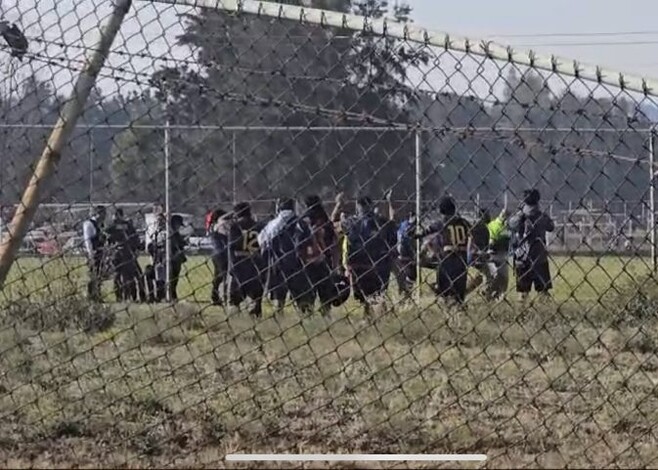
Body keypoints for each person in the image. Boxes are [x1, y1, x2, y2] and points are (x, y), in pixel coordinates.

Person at [259, 197, 315, 314]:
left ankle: (279, 316)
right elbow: (309, 241)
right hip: (297, 263)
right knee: (302, 294)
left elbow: (262, 241)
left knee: (279, 296)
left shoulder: (273, 224)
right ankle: (305, 314)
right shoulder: (300, 222)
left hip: (278, 262)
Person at [344, 195, 397, 317]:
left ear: (358, 206)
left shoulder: (351, 222)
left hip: (358, 264)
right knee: (378, 292)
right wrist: (390, 204)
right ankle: (377, 313)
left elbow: (337, 226)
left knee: (363, 294)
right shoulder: (381, 221)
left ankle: (367, 313)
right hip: (379, 264)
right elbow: (393, 224)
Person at [418, 196, 471, 305]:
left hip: (447, 258)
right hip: (462, 258)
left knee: (444, 286)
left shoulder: (442, 222)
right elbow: (473, 231)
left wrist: (415, 235)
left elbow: (426, 231)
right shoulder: (464, 222)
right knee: (459, 287)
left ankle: (445, 299)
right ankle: (458, 304)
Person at [508, 189, 555, 301]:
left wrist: (520, 211)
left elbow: (510, 224)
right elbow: (551, 226)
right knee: (543, 291)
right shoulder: (541, 216)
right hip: (540, 257)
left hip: (522, 257)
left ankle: (522, 314)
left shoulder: (520, 216)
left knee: (523, 293)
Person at [302, 195, 345, 315]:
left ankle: (308, 313)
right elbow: (334, 242)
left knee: (308, 292)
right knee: (325, 292)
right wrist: (335, 264)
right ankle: (325, 313)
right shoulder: (325, 221)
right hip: (325, 260)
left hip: (308, 260)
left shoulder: (305, 220)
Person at [227, 202, 266, 317]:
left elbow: (232, 246)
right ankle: (255, 312)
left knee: (234, 296)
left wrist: (231, 266)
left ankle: (236, 315)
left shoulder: (235, 226)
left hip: (240, 261)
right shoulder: (258, 225)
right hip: (256, 261)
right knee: (256, 293)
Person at [106, 208, 145, 302]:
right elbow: (135, 239)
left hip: (119, 253)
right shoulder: (127, 225)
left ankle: (121, 297)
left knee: (119, 276)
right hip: (127, 253)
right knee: (129, 276)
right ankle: (132, 296)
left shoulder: (113, 226)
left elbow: (107, 238)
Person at [82, 205, 107, 302]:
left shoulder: (101, 225)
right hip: (93, 252)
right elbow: (88, 240)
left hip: (101, 252)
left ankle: (97, 294)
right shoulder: (89, 224)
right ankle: (91, 295)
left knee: (99, 274)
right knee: (93, 274)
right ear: (98, 214)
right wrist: (90, 254)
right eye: (103, 214)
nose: (104, 216)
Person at [485, 208, 511, 300]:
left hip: (503, 254)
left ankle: (499, 295)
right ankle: (489, 293)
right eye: (505, 215)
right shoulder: (493, 225)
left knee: (504, 279)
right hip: (493, 254)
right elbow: (491, 242)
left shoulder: (507, 226)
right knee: (495, 276)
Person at [465, 208, 492, 297]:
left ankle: (464, 292)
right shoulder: (481, 227)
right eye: (487, 215)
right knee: (488, 276)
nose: (489, 217)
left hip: (473, 254)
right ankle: (486, 292)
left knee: (479, 277)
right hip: (476, 255)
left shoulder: (475, 225)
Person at [208, 208, 231, 306]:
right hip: (223, 253)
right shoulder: (222, 224)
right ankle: (225, 297)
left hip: (216, 253)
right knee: (225, 276)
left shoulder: (214, 226)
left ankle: (215, 296)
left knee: (218, 276)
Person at [394, 211, 417, 302]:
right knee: (411, 276)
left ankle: (405, 294)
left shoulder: (402, 224)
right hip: (406, 256)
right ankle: (405, 296)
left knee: (407, 277)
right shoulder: (410, 227)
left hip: (400, 255)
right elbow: (409, 241)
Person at [146, 213, 167, 302]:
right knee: (148, 273)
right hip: (154, 258)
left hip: (162, 259)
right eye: (157, 221)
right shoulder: (154, 232)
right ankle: (151, 296)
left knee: (160, 273)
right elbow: (150, 246)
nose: (159, 223)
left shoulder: (165, 233)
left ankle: (160, 296)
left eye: (161, 221)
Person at [169, 214, 188, 302]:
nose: (179, 227)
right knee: (171, 277)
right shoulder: (170, 233)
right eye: (178, 224)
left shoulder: (176, 234)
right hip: (172, 258)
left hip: (177, 259)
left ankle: (173, 294)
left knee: (175, 278)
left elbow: (181, 244)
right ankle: (171, 295)